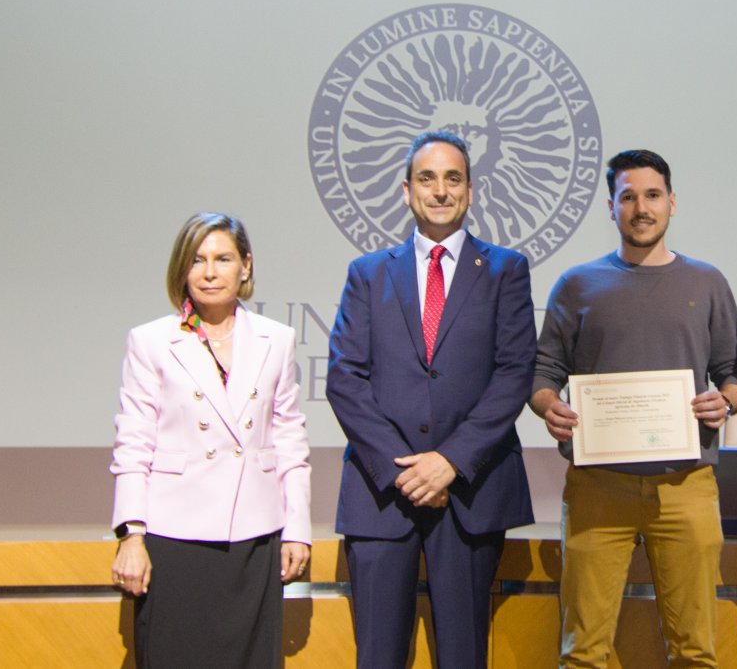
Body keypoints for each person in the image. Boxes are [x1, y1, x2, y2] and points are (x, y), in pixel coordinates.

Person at [327, 130, 536, 668]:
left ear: (470, 189)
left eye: (453, 178)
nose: (440, 190)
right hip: (382, 493)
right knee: (377, 655)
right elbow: (345, 378)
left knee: (464, 655)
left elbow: (513, 374)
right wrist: (407, 472)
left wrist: (449, 462)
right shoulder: (368, 274)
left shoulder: (506, 270)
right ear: (406, 191)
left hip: (471, 490)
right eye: (427, 178)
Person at [531, 149, 737, 668]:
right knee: (583, 652)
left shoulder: (707, 282)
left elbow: (736, 374)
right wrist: (548, 407)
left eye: (652, 195)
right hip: (597, 487)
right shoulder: (577, 284)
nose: (641, 208)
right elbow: (542, 374)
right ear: (611, 208)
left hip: (687, 485)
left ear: (672, 203)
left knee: (696, 650)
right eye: (628, 197)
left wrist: (726, 401)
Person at [109, 212, 312, 668]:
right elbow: (133, 442)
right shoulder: (152, 341)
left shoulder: (276, 339)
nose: (209, 271)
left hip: (254, 536)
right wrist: (131, 535)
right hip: (175, 534)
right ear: (182, 269)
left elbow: (289, 440)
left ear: (245, 266)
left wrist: (297, 528)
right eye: (197, 260)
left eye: (222, 259)